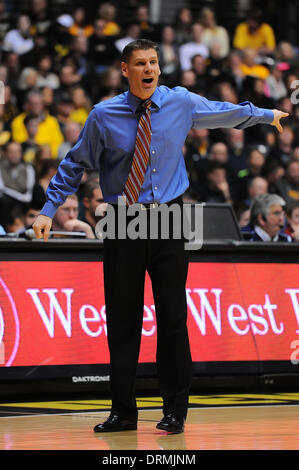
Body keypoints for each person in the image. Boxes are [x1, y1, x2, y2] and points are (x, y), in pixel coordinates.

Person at [33, 39, 288, 434]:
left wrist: (265, 114)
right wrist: (49, 208)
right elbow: (75, 163)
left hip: (169, 219)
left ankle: (175, 411)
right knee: (122, 321)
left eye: (153, 62)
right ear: (125, 69)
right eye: (140, 63)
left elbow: (224, 113)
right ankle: (123, 412)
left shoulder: (180, 102)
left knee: (172, 318)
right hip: (121, 221)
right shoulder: (103, 115)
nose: (148, 69)